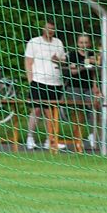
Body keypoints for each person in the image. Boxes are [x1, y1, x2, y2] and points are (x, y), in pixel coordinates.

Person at [23, 21, 67, 150]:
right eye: (48, 28)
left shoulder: (58, 43)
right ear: (43, 29)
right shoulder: (34, 42)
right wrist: (31, 80)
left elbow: (63, 62)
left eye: (52, 29)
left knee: (51, 112)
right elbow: (28, 62)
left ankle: (50, 140)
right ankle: (30, 138)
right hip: (38, 81)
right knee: (36, 110)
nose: (50, 31)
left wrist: (58, 60)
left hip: (55, 82)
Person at [63, 33, 100, 149]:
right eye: (81, 42)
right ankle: (77, 138)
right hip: (74, 87)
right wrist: (84, 64)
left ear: (89, 44)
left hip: (88, 87)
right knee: (78, 110)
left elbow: (94, 71)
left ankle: (93, 134)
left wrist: (95, 86)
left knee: (94, 108)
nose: (83, 45)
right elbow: (73, 71)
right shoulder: (72, 55)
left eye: (86, 42)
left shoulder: (91, 55)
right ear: (77, 43)